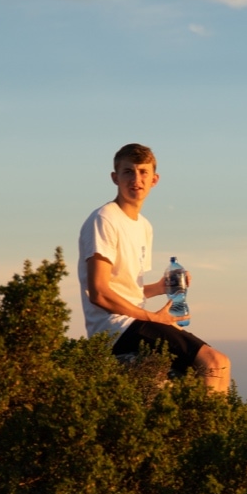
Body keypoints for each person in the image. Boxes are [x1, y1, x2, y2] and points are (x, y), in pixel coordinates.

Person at [78, 143, 231, 393]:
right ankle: (212, 431)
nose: (136, 179)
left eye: (143, 172)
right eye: (128, 172)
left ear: (154, 179)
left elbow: (126, 289)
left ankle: (207, 427)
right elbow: (99, 293)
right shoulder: (104, 220)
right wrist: (154, 317)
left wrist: (160, 287)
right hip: (116, 329)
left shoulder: (143, 226)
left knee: (207, 371)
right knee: (215, 363)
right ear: (115, 178)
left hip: (133, 322)